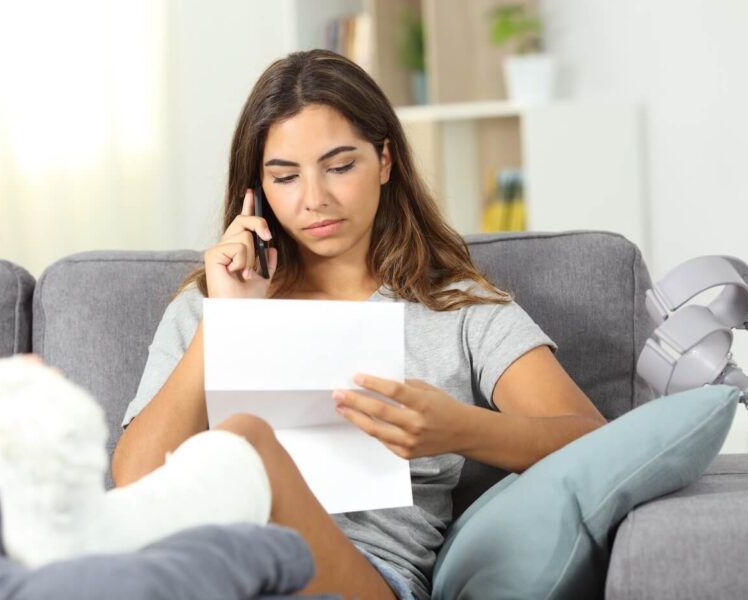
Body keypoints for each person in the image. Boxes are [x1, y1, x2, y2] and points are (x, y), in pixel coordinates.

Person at [112, 48, 607, 600]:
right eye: (285, 177)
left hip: (366, 575)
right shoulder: (210, 304)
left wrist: (458, 429)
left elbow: (591, 438)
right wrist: (226, 321)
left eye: (341, 166)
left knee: (245, 441)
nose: (315, 200)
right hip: (210, 564)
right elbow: (134, 481)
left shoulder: (457, 307)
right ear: (257, 190)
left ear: (385, 161)